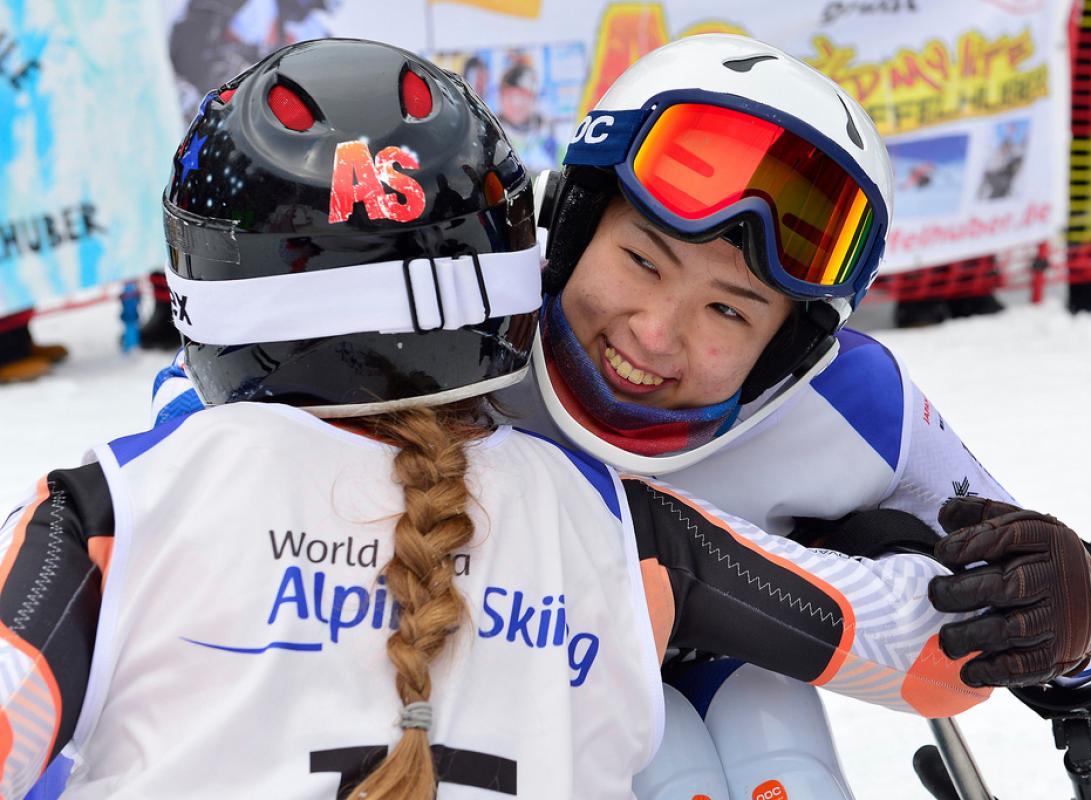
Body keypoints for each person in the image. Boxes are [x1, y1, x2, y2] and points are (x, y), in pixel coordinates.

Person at [2, 39, 1013, 799]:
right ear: (538, 244)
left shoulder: (118, 508)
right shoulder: (614, 527)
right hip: (666, 625)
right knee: (752, 720)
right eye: (644, 260)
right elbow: (933, 647)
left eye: (729, 307)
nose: (656, 337)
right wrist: (1056, 605)